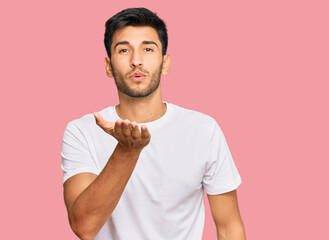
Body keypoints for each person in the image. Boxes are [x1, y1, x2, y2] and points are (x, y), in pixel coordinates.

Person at [61, 7, 245, 240]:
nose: (136, 61)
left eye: (148, 49)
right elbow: (84, 226)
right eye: (124, 50)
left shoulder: (203, 129)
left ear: (165, 63)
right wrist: (127, 151)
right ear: (109, 66)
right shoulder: (82, 131)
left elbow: (229, 227)